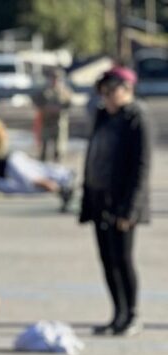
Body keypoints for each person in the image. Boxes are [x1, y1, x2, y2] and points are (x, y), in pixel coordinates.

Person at [79, 66, 151, 337]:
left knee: (123, 259)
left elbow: (141, 167)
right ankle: (117, 314)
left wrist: (130, 210)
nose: (107, 97)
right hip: (100, 200)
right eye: (104, 92)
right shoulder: (103, 116)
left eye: (112, 91)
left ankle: (131, 314)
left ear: (127, 90)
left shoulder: (136, 118)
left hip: (123, 203)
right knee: (107, 260)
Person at [33, 68, 72, 162]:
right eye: (53, 78)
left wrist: (59, 109)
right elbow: (37, 102)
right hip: (46, 122)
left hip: (59, 123)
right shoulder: (45, 91)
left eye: (57, 78)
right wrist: (46, 108)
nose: (55, 80)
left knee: (58, 149)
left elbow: (68, 104)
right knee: (44, 149)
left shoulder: (65, 91)